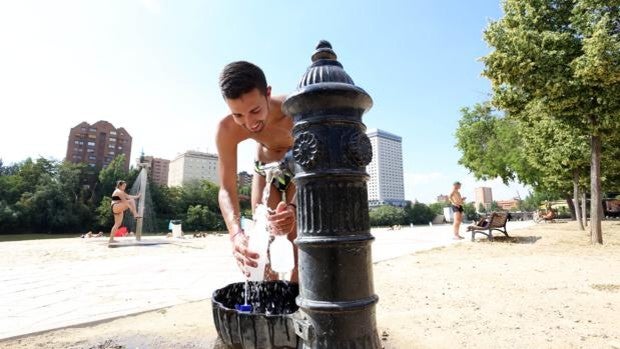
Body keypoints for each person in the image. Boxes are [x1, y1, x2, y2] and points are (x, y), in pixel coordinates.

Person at [216, 61, 297, 281]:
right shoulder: (227, 129)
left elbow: (319, 160)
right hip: (265, 171)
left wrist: (293, 207)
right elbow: (226, 189)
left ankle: (298, 304)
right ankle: (270, 309)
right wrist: (235, 234)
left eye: (255, 110)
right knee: (263, 247)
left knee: (295, 242)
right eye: (238, 115)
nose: (249, 123)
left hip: (299, 170)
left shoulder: (295, 110)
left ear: (267, 93)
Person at [108, 180, 141, 245]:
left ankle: (111, 239)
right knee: (131, 201)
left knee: (117, 224)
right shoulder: (119, 191)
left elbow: (128, 196)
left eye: (125, 186)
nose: (125, 187)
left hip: (116, 208)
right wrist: (131, 208)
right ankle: (135, 214)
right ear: (120, 185)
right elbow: (125, 201)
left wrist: (137, 196)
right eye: (124, 186)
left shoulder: (121, 192)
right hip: (116, 206)